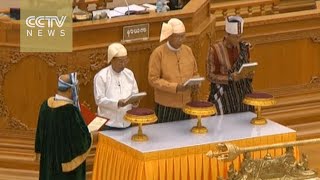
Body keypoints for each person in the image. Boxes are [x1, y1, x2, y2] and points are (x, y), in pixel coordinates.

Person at [35, 72, 93, 180]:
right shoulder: (71, 111)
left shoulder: (45, 105)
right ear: (71, 90)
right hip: (65, 170)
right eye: (77, 87)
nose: (79, 90)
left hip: (48, 161)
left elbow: (40, 134)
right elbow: (82, 141)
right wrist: (90, 134)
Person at [148, 18, 198, 123]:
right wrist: (175, 87)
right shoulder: (158, 53)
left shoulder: (188, 50)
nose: (181, 39)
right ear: (169, 37)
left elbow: (195, 73)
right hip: (166, 105)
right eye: (178, 37)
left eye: (183, 36)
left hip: (186, 103)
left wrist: (196, 82)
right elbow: (153, 79)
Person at [207, 15, 254, 115]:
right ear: (227, 35)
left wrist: (249, 74)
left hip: (243, 94)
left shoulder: (244, 48)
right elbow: (210, 76)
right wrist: (230, 78)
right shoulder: (214, 50)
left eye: (240, 36)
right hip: (224, 97)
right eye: (236, 37)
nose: (239, 39)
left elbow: (248, 66)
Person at [93, 42, 139, 129]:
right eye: (120, 61)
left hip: (127, 121)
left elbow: (134, 94)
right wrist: (117, 103)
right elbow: (99, 100)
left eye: (125, 61)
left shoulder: (129, 74)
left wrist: (135, 102)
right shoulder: (101, 76)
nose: (123, 64)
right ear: (112, 60)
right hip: (108, 124)